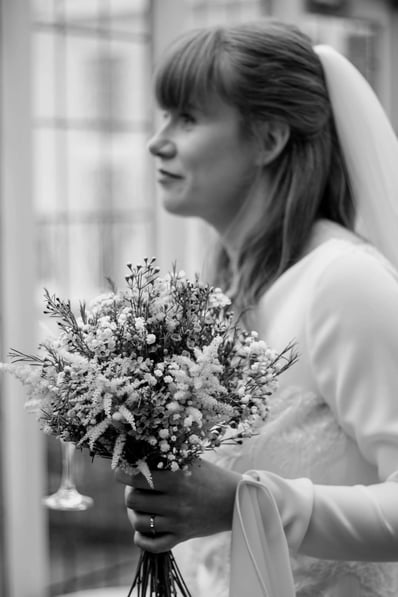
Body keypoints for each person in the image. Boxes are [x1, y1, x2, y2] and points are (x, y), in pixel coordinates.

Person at [115, 18, 398, 597]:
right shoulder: (218, 286)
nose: (157, 139)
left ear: (268, 140)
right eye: (164, 115)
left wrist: (250, 502)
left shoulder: (345, 283)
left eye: (187, 117)